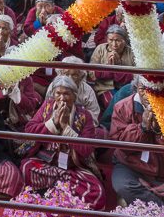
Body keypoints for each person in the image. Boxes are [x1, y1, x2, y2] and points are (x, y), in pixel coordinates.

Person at [22, 75, 107, 209]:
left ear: (74, 96)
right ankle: (62, 193)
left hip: (72, 169)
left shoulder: (85, 115)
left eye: (66, 94)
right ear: (53, 94)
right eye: (58, 93)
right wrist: (53, 123)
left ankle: (52, 193)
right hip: (46, 165)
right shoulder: (47, 107)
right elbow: (30, 130)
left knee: (97, 192)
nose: (62, 98)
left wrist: (66, 129)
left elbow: (87, 149)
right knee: (26, 168)